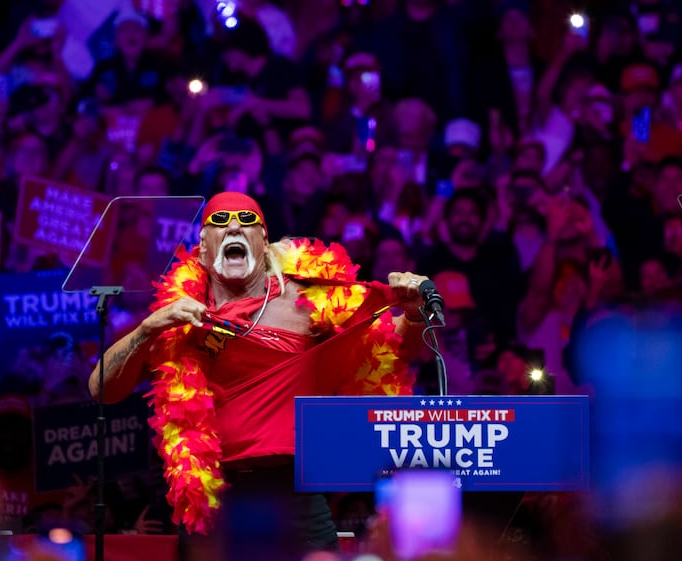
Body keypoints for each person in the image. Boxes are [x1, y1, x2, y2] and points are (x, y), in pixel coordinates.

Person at [91, 191, 429, 543]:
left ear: (264, 241)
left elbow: (392, 350)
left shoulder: (306, 300)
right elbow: (101, 390)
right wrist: (148, 328)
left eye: (247, 221)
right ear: (204, 245)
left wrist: (416, 313)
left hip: (295, 492)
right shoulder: (178, 316)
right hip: (214, 498)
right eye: (220, 221)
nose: (234, 227)